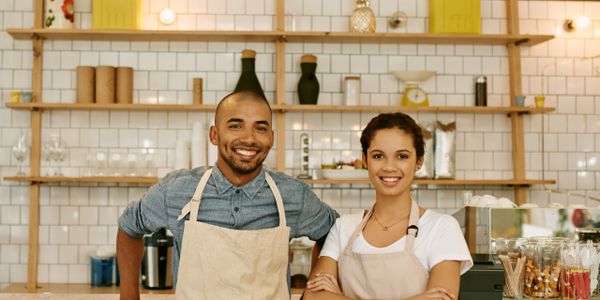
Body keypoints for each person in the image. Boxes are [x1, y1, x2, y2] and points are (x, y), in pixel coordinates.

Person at [117, 90, 338, 300]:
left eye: (260, 128)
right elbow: (129, 226)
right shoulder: (176, 191)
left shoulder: (293, 195)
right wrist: (129, 296)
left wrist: (315, 291)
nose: (249, 138)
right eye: (235, 126)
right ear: (214, 134)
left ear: (271, 138)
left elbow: (335, 233)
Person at [303, 112, 472, 300]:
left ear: (419, 161)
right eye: (378, 156)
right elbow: (313, 296)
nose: (389, 167)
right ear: (365, 160)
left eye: (402, 156)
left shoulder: (442, 228)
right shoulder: (343, 227)